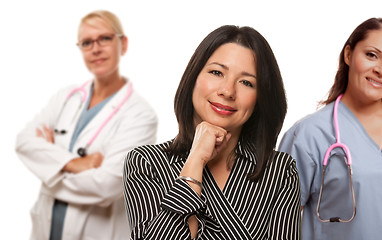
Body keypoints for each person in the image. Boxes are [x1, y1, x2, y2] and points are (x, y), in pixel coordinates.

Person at [123, 25, 301, 239]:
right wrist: (196, 161)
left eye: (246, 82)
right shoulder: (145, 162)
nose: (227, 91)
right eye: (216, 72)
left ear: (260, 98)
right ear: (194, 78)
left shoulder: (279, 171)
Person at [279, 17, 382, 240]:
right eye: (371, 55)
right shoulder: (308, 135)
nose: (381, 70)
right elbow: (278, 222)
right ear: (348, 55)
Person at [15, 10, 158, 240]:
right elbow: (24, 142)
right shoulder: (66, 97)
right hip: (46, 228)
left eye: (105, 38)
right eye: (87, 42)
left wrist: (47, 171)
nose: (95, 48)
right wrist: (75, 163)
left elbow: (107, 185)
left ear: (123, 44)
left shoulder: (141, 115)